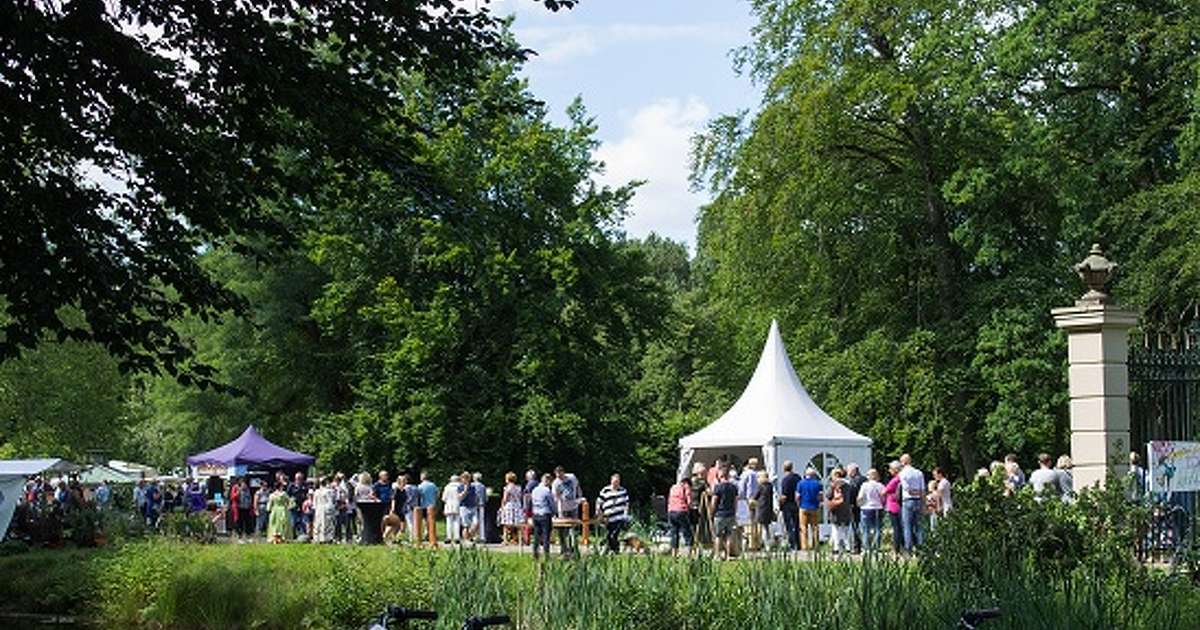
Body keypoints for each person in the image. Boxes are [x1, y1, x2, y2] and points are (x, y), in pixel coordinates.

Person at [552, 466, 582, 557]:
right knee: (562, 530)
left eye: (560, 475)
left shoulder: (572, 477)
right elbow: (555, 497)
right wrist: (557, 510)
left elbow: (577, 487)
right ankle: (564, 549)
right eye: (557, 475)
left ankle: (574, 549)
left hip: (573, 506)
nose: (559, 477)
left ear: (563, 472)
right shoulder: (556, 483)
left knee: (573, 529)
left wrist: (579, 497)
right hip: (563, 508)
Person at [898, 454, 925, 552]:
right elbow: (923, 490)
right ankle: (921, 548)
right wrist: (923, 504)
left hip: (908, 500)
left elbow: (907, 489)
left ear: (904, 462)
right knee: (919, 526)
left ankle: (908, 548)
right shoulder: (919, 473)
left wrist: (914, 492)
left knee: (907, 526)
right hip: (918, 500)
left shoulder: (902, 473)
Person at [598, 473, 630, 554]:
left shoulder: (623, 491)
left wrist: (625, 514)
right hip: (608, 517)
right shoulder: (605, 490)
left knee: (614, 534)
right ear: (611, 481)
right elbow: (599, 502)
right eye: (615, 481)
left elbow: (626, 503)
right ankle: (611, 548)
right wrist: (599, 514)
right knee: (609, 534)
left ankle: (615, 550)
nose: (616, 483)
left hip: (619, 517)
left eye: (618, 481)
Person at [710, 468, 739, 560]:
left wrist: (711, 512)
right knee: (729, 535)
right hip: (730, 513)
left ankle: (717, 555)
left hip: (720, 513)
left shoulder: (718, 487)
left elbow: (714, 501)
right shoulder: (734, 487)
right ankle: (727, 555)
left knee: (718, 535)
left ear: (720, 476)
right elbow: (735, 501)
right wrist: (734, 512)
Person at [857, 468, 885, 552]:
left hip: (866, 508)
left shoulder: (865, 485)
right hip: (878, 508)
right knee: (877, 529)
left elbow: (860, 497)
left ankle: (866, 547)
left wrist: (858, 503)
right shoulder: (880, 485)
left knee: (866, 529)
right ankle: (876, 547)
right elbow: (883, 497)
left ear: (870, 476)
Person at [826, 468, 852, 555]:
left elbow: (828, 495)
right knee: (845, 529)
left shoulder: (834, 485)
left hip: (836, 509)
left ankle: (836, 547)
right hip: (846, 509)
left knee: (836, 528)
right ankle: (848, 547)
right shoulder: (848, 485)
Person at [530, 473, 555, 559]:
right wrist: (554, 512)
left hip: (535, 514)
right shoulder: (547, 491)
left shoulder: (534, 490)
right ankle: (546, 555)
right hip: (545, 514)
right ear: (548, 481)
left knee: (536, 535)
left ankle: (535, 553)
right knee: (546, 536)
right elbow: (551, 503)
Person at [797, 468, 823, 551]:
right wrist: (818, 503)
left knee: (803, 527)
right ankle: (816, 545)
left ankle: (804, 546)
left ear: (806, 474)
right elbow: (820, 496)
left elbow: (797, 496)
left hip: (803, 506)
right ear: (814, 475)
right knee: (815, 527)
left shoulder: (800, 483)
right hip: (814, 507)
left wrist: (799, 505)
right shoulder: (818, 484)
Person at [737, 458, 760, 550]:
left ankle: (751, 543)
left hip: (746, 499)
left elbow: (743, 488)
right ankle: (754, 543)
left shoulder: (746, 474)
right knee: (753, 521)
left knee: (748, 521)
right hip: (752, 499)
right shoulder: (754, 474)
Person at [778, 461, 801, 551]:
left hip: (788, 504)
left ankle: (792, 544)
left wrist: (780, 504)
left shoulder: (785, 480)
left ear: (784, 468)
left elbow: (784, 496)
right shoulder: (798, 477)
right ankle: (799, 543)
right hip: (796, 504)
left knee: (789, 526)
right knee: (797, 524)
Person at [667, 475, 693, 556]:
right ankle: (688, 553)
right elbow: (689, 501)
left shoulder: (673, 487)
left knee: (674, 532)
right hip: (681, 511)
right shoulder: (686, 487)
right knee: (687, 532)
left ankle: (674, 553)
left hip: (671, 511)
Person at [843, 463, 865, 553]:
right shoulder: (865, 479)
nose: (847, 473)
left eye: (848, 471)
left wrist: (849, 503)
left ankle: (856, 547)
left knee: (855, 527)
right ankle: (864, 546)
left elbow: (851, 494)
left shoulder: (854, 481)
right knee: (863, 527)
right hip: (864, 506)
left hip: (855, 506)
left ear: (854, 470)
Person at [690, 462, 712, 549]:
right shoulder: (700, 482)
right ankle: (699, 542)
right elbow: (709, 492)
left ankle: (696, 543)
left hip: (694, 505)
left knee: (695, 525)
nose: (704, 475)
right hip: (700, 506)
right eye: (703, 473)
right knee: (699, 525)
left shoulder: (691, 481)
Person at [883, 461, 903, 553]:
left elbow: (884, 491)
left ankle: (896, 548)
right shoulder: (902, 478)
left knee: (896, 528)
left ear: (895, 470)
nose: (889, 471)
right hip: (900, 505)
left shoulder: (895, 480)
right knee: (901, 527)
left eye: (890, 469)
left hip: (893, 506)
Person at [499, 472, 524, 545]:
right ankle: (518, 539)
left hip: (509, 505)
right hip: (517, 505)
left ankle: (505, 539)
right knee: (517, 524)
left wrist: (502, 506)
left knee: (506, 524)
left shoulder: (507, 488)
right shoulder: (518, 487)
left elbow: (505, 498)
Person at [752, 470, 774, 550]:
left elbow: (755, 497)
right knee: (767, 527)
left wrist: (751, 501)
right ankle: (768, 543)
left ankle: (764, 544)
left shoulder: (761, 486)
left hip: (761, 508)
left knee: (763, 527)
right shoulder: (770, 486)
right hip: (768, 508)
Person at [416, 472, 439, 547]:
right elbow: (437, 494)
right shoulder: (433, 485)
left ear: (422, 478)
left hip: (423, 506)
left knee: (424, 521)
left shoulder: (420, 486)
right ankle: (431, 536)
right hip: (432, 505)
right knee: (432, 521)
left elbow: (418, 496)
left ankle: (425, 535)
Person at [312, 476, 336, 543]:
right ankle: (327, 538)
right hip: (326, 508)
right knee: (326, 523)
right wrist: (332, 510)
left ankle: (318, 538)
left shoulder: (316, 491)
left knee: (319, 523)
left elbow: (314, 503)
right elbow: (330, 502)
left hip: (319, 509)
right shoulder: (329, 491)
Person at [457, 472, 478, 543]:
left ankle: (469, 536)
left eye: (467, 478)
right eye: (464, 478)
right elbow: (459, 497)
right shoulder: (460, 487)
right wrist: (465, 490)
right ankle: (466, 540)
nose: (466, 479)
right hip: (464, 507)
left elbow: (475, 496)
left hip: (473, 507)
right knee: (465, 525)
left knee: (476, 523)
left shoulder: (472, 487)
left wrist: (476, 502)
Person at [287, 472, 308, 540]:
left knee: (303, 522)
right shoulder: (291, 486)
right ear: (295, 478)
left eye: (301, 478)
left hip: (303, 506)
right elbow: (288, 495)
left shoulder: (305, 485)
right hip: (294, 507)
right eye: (298, 478)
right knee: (293, 522)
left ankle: (303, 536)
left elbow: (307, 494)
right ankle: (292, 536)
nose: (299, 480)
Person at [442, 474, 462, 544]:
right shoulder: (460, 486)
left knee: (449, 522)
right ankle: (457, 537)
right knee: (457, 522)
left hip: (449, 505)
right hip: (457, 505)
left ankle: (449, 537)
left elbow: (443, 498)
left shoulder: (447, 487)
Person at [471, 473, 487, 543]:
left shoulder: (471, 485)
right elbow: (485, 497)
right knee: (481, 521)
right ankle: (482, 537)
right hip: (481, 505)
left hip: (473, 505)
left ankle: (474, 536)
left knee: (473, 521)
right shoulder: (483, 486)